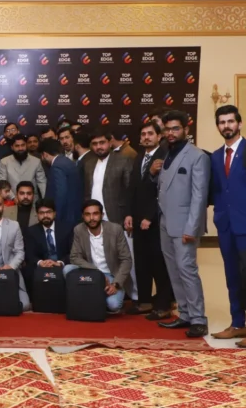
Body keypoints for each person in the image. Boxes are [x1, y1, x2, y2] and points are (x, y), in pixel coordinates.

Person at [209, 105, 246, 347]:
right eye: (222, 122)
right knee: (232, 277)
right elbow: (218, 190)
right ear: (218, 126)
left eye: (230, 121)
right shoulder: (215, 156)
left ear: (239, 123)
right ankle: (237, 324)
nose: (227, 126)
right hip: (226, 226)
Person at [156, 111, 210, 338]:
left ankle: (198, 319)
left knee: (187, 270)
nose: (171, 133)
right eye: (167, 129)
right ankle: (185, 313)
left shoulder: (197, 156)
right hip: (165, 222)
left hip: (185, 225)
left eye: (175, 128)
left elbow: (199, 196)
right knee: (174, 270)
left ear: (186, 130)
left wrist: (192, 228)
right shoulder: (167, 153)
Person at [125, 121, 174, 320]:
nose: (146, 137)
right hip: (137, 219)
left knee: (159, 264)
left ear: (159, 136)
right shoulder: (139, 157)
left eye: (150, 134)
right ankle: (144, 301)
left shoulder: (164, 156)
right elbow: (133, 188)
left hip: (156, 220)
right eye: (143, 134)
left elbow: (162, 192)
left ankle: (163, 305)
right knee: (142, 262)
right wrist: (129, 213)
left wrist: (149, 216)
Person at [64, 200, 133, 314]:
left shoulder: (115, 229)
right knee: (67, 269)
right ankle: (90, 297)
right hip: (90, 272)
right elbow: (74, 257)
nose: (92, 218)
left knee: (113, 305)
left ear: (102, 215)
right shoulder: (79, 230)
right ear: (83, 216)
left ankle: (93, 298)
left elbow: (126, 260)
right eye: (87, 214)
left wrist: (115, 284)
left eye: (95, 214)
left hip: (111, 276)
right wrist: (97, 274)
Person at [38, 138, 82, 252]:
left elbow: (60, 193)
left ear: (45, 154)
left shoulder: (56, 166)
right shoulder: (68, 162)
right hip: (74, 214)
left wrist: (56, 217)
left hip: (65, 216)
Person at [82, 131, 132, 227]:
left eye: (102, 142)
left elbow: (129, 190)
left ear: (110, 143)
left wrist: (128, 214)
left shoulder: (123, 161)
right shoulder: (88, 163)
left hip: (116, 215)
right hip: (93, 218)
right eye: (95, 144)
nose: (98, 147)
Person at [25, 198, 69, 276]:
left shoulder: (66, 229)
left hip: (61, 265)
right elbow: (29, 254)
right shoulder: (31, 231)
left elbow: (72, 252)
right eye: (41, 213)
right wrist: (40, 262)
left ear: (54, 213)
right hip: (42, 267)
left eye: (48, 212)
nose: (45, 216)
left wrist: (59, 263)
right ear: (37, 214)